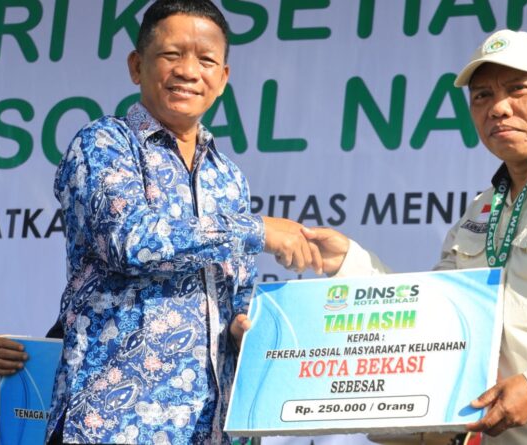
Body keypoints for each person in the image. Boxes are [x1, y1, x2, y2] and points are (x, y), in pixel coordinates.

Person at [304, 29, 527, 444]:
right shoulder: (482, 208)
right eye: (482, 95)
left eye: (518, 89)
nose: (498, 107)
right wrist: (348, 263)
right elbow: (432, 312)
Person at [31, 1, 321, 443]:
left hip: (209, 428)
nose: (188, 71)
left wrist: (246, 325)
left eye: (206, 60)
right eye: (171, 54)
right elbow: (129, 241)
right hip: (114, 425)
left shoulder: (228, 177)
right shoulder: (103, 143)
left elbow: (237, 291)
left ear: (222, 78)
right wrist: (257, 229)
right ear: (136, 65)